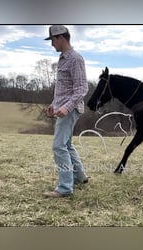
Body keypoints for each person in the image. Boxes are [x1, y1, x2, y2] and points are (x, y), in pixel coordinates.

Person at [43, 25, 89, 198]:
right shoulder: (63, 59)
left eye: (52, 40)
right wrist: (54, 104)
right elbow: (64, 88)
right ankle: (80, 177)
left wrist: (66, 107)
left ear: (60, 38)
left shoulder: (75, 59)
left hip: (70, 109)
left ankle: (64, 188)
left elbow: (81, 89)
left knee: (58, 146)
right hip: (62, 107)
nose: (52, 44)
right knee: (67, 145)